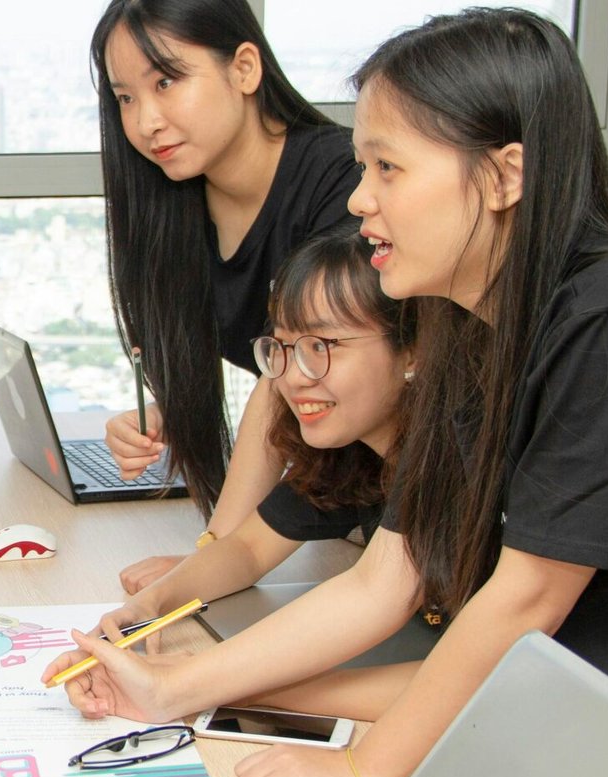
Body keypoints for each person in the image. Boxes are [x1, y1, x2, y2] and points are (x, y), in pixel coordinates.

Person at [43, 7, 608, 777]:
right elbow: (381, 581)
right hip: (544, 713)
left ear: (503, 176)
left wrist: (362, 771)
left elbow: (528, 596)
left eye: (387, 169)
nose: (359, 200)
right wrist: (167, 687)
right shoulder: (469, 330)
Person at [89, 0, 362, 588]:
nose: (145, 121)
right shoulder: (173, 200)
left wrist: (217, 552)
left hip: (399, 497)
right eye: (126, 97)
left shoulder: (344, 182)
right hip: (329, 509)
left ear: (244, 68)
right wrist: (167, 411)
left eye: (167, 80)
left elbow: (289, 378)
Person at [104, 231, 416, 652]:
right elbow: (249, 549)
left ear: (412, 349)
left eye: (322, 345)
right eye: (284, 347)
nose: (293, 376)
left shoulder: (449, 463)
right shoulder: (349, 454)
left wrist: (187, 680)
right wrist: (149, 605)